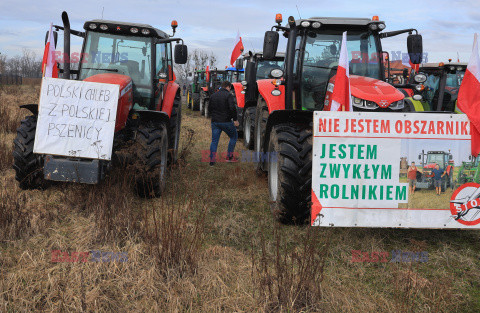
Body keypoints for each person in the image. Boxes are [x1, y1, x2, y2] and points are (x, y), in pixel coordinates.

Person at [208, 81, 239, 165]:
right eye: (230, 88)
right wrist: (235, 119)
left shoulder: (213, 95)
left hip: (215, 122)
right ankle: (229, 157)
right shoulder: (228, 95)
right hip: (226, 122)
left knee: (214, 141)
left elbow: (209, 108)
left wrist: (213, 117)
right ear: (228, 87)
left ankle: (212, 161)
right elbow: (232, 108)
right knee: (234, 136)